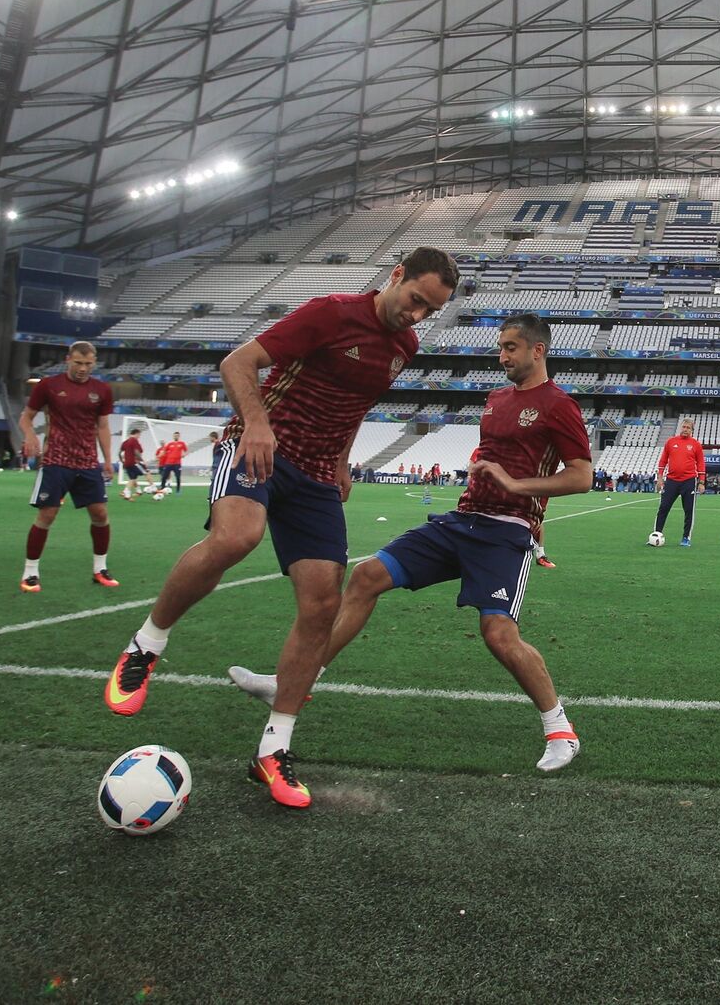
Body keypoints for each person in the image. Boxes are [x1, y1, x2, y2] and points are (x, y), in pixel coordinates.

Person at [103, 248, 459, 809]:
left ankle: (272, 752)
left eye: (429, 311)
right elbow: (238, 363)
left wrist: (342, 459)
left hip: (317, 476)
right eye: (416, 301)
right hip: (259, 450)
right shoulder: (330, 312)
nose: (417, 317)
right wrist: (259, 425)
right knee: (236, 538)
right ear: (397, 277)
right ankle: (146, 645)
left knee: (322, 605)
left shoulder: (404, 347)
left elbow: (355, 404)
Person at [229, 313, 593, 781]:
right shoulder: (497, 398)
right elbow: (496, 455)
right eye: (500, 347)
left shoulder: (559, 404)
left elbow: (582, 476)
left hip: (506, 530)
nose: (501, 356)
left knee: (499, 634)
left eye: (510, 348)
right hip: (461, 520)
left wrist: (516, 485)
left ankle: (560, 730)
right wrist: (483, 465)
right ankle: (296, 682)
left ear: (537, 351)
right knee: (365, 577)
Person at [17, 341, 118, 592]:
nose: (83, 368)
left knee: (100, 515)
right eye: (78, 363)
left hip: (87, 461)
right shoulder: (48, 386)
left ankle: (100, 569)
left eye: (88, 364)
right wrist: (29, 435)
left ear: (94, 363)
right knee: (47, 515)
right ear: (67, 360)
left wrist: (107, 459)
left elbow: (102, 426)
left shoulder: (102, 390)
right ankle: (30, 572)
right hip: (56, 460)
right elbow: (26, 417)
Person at [653, 418, 706, 546]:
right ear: (680, 428)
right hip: (671, 481)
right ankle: (656, 535)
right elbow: (663, 461)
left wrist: (701, 482)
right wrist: (660, 478)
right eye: (684, 427)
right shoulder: (671, 442)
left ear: (692, 430)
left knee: (688, 511)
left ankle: (686, 538)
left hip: (689, 481)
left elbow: (701, 464)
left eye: (688, 428)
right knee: (663, 508)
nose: (685, 429)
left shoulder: (696, 444)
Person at [118, 426, 147, 500]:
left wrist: (122, 461)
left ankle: (135, 491)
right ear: (136, 434)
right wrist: (142, 460)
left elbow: (119, 453)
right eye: (139, 435)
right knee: (146, 472)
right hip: (133, 462)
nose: (139, 437)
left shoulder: (125, 442)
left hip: (126, 463)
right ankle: (153, 488)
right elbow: (136, 451)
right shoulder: (134, 440)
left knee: (133, 477)